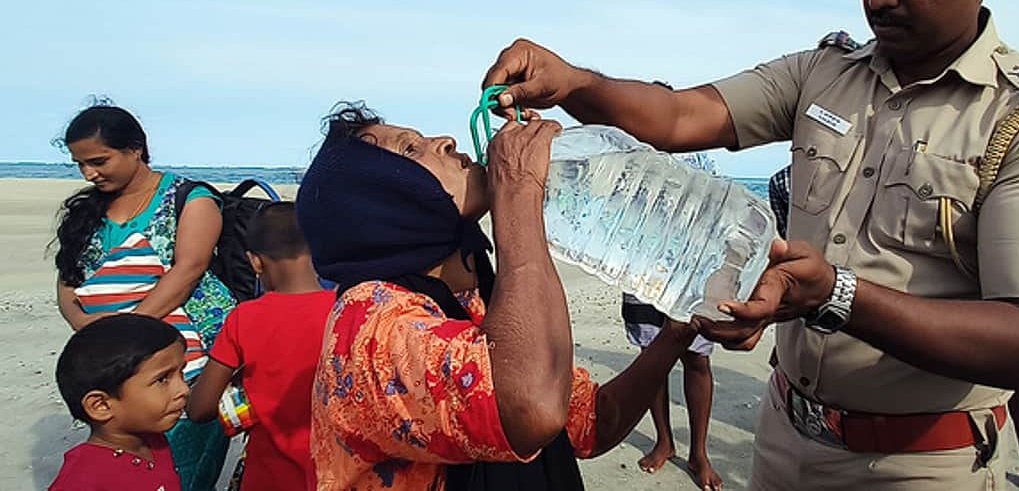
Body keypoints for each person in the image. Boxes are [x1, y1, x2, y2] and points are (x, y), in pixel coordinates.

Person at [481, 0, 1019, 490]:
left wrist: (835, 294)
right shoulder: (824, 73)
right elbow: (679, 117)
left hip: (918, 463)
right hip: (784, 436)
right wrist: (575, 82)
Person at [298, 103, 710, 491]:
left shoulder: (476, 299)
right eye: (409, 148)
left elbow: (591, 422)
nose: (445, 141)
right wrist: (518, 190)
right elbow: (532, 409)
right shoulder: (368, 322)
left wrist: (678, 331)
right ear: (375, 205)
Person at [51, 103, 234, 490]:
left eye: (99, 161)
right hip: (115, 366)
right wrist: (83, 326)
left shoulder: (190, 199)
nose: (89, 173)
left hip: (188, 360)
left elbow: (188, 271)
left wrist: (125, 332)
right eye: (80, 164)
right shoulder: (88, 210)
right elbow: (68, 280)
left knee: (185, 468)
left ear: (135, 149)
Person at [187, 202, 336, 491]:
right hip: (337, 475)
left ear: (255, 262)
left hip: (267, 477)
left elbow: (200, 409)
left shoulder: (243, 318)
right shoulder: (345, 310)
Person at [620, 148, 722, 491]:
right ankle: (664, 441)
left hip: (692, 274)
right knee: (651, 359)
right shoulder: (628, 156)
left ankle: (699, 453)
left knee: (698, 358)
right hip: (640, 273)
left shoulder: (698, 157)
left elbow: (719, 210)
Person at [50, 313, 190, 491]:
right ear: (101, 405)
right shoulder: (82, 480)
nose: (184, 389)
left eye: (181, 373)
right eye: (162, 379)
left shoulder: (154, 441)